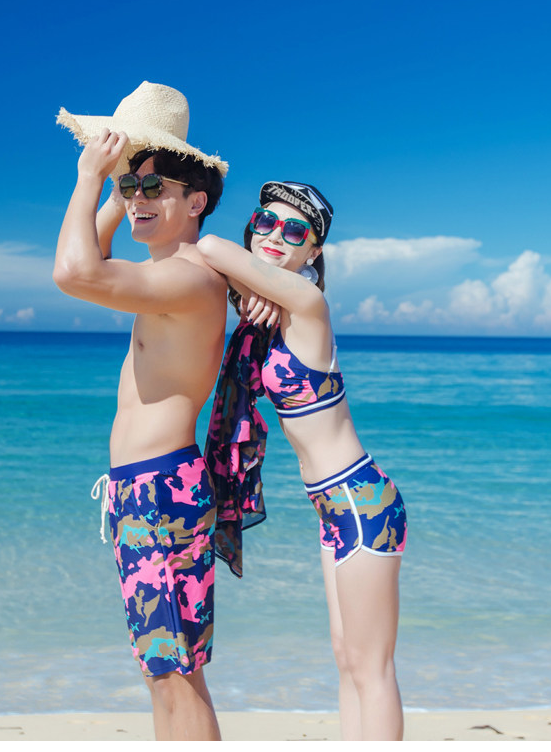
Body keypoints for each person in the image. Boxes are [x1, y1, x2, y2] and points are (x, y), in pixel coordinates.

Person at [198, 182, 407, 741]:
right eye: (265, 221)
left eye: (295, 230)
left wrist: (254, 280)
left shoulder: (308, 305)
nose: (275, 235)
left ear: (314, 250)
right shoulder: (270, 309)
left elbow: (212, 246)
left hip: (361, 503)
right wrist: (253, 284)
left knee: (372, 667)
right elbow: (214, 259)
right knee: (346, 657)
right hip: (333, 507)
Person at [53, 82, 228, 741]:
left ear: (196, 201)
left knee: (178, 675)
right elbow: (93, 258)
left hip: (161, 490)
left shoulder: (188, 276)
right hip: (143, 489)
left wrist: (89, 177)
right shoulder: (163, 273)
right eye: (133, 186)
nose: (138, 199)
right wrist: (117, 185)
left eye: (155, 187)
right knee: (161, 671)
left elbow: (74, 272)